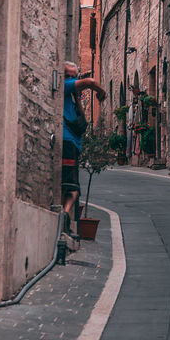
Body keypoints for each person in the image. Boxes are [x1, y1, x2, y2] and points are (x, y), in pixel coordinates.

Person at [62, 62, 105, 227]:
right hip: (68, 142)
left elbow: (82, 120)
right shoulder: (65, 86)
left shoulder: (72, 95)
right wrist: (101, 91)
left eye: (74, 77)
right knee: (71, 187)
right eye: (68, 75)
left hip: (73, 143)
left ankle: (65, 217)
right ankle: (64, 216)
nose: (71, 79)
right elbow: (90, 82)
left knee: (71, 185)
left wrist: (78, 97)